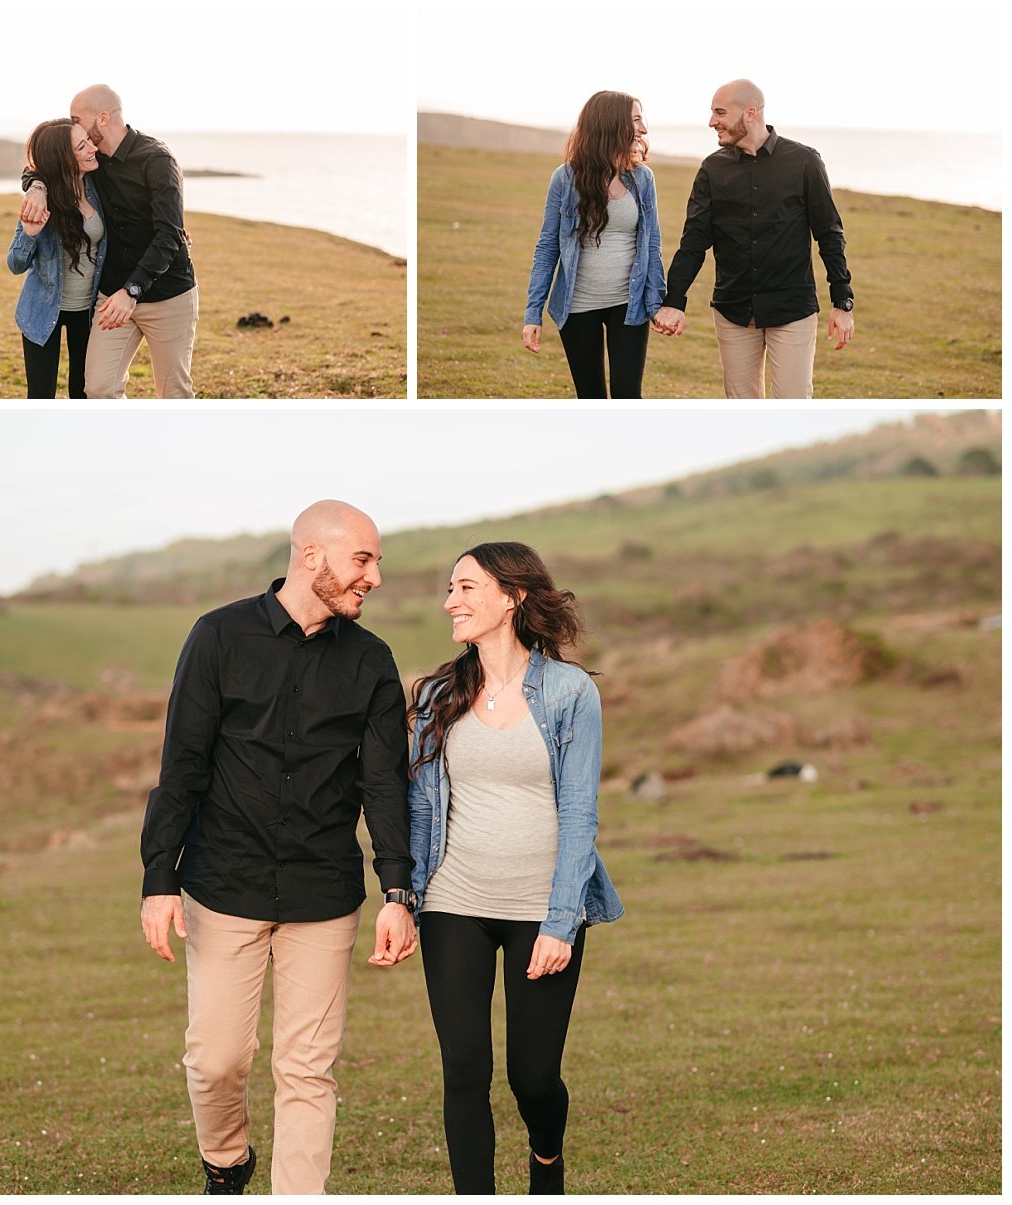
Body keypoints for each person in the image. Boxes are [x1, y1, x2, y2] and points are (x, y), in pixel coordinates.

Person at [139, 500, 417, 1195]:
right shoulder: (218, 637)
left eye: (376, 561)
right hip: (223, 882)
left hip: (323, 894)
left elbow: (384, 785)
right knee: (217, 1060)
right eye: (363, 558)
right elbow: (183, 766)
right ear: (311, 554)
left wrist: (397, 891)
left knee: (306, 1070)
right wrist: (158, 878)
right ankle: (227, 1163)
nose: (374, 577)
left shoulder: (372, 662)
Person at [407, 541, 624, 1195]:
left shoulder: (569, 692)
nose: (451, 600)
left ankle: (547, 1159)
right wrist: (404, 897)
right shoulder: (436, 695)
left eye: (466, 587)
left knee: (533, 1077)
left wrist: (562, 920)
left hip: (542, 908)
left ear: (512, 597)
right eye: (450, 588)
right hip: (454, 901)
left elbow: (580, 812)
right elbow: (419, 807)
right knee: (465, 1067)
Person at [651, 79, 855, 398]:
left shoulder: (804, 161)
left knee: (792, 402)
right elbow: (693, 241)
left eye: (720, 112)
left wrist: (842, 301)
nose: (712, 122)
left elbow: (829, 232)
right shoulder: (712, 170)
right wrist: (674, 301)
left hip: (792, 308)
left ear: (749, 113)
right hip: (733, 310)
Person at [19, 85, 199, 398]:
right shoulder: (92, 162)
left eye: (77, 118)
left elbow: (169, 233)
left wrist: (133, 291)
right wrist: (36, 186)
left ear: (102, 118)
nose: (72, 126)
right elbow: (46, 163)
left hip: (167, 296)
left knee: (174, 393)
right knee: (99, 390)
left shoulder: (157, 160)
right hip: (111, 297)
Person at [522, 91, 666, 399]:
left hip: (629, 305)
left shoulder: (643, 178)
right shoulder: (565, 179)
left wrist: (656, 305)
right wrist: (533, 313)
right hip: (577, 307)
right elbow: (547, 247)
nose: (643, 129)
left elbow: (652, 245)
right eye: (636, 120)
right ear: (611, 125)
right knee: (591, 398)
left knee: (629, 396)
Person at [6, 119, 106, 399]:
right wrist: (30, 234)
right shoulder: (40, 199)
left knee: (82, 394)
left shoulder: (98, 188)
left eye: (89, 140)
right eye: (82, 145)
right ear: (64, 158)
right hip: (41, 309)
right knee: (40, 396)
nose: (93, 148)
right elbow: (15, 264)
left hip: (88, 312)